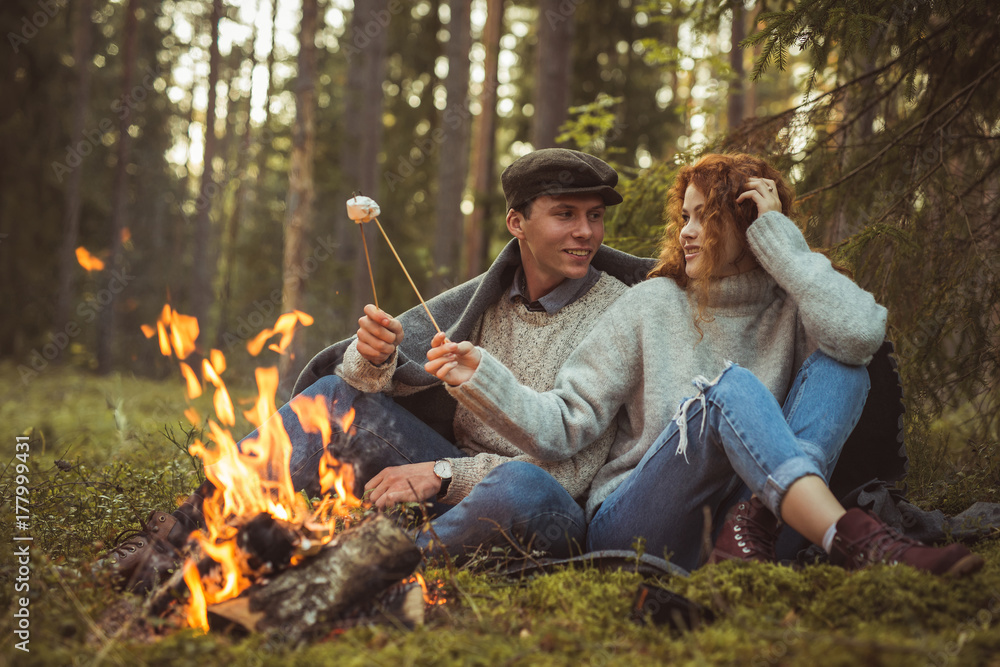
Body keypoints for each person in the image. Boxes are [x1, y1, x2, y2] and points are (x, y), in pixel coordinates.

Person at [103, 148, 657, 593]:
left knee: (522, 483)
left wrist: (444, 474)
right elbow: (380, 389)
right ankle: (178, 540)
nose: (586, 232)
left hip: (544, 506)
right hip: (459, 473)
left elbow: (572, 469)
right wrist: (374, 359)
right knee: (334, 399)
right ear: (517, 222)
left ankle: (343, 578)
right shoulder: (487, 303)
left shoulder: (617, 308)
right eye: (565, 214)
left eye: (594, 216)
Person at [426, 153, 984, 577]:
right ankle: (846, 534)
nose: (687, 231)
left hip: (751, 537)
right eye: (685, 217)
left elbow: (860, 335)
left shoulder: (792, 304)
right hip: (643, 524)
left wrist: (784, 250)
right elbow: (565, 423)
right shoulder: (650, 302)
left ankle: (761, 521)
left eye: (707, 217)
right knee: (726, 391)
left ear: (749, 226)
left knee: (845, 366)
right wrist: (484, 375)